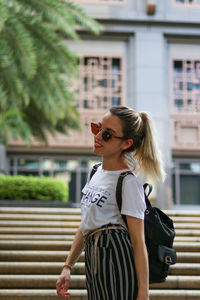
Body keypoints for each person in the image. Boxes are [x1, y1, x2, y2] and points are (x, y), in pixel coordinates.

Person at [56, 105, 165, 300]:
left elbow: (139, 243)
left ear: (126, 143)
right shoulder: (96, 171)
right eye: (97, 128)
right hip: (94, 258)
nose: (97, 137)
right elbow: (86, 224)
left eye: (107, 135)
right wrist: (67, 266)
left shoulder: (128, 181)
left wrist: (143, 293)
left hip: (116, 258)